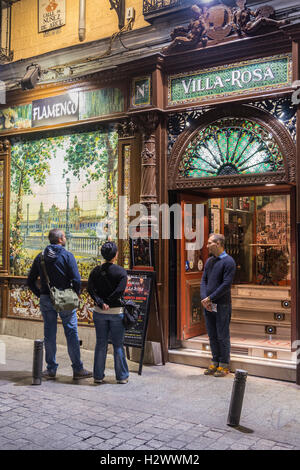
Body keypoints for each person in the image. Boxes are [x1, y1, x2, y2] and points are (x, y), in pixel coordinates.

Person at [27, 229, 92, 380]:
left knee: (49, 334)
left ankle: (50, 369)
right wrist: (74, 295)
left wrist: (42, 294)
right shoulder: (67, 256)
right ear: (61, 239)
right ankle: (77, 369)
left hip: (46, 299)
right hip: (66, 299)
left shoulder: (40, 257)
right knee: (71, 333)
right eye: (64, 236)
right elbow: (76, 280)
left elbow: (30, 281)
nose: (65, 238)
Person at [87, 241, 129, 384]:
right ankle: (122, 376)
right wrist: (109, 302)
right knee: (118, 344)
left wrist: (101, 302)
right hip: (116, 312)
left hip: (99, 313)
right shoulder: (121, 272)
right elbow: (119, 291)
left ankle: (98, 376)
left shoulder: (95, 271)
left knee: (100, 344)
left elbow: (90, 289)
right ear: (116, 255)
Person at [200, 233, 236, 377]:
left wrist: (210, 298)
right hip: (208, 304)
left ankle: (224, 364)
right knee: (212, 334)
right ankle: (215, 361)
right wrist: (204, 298)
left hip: (222, 304)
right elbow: (203, 280)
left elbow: (226, 285)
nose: (207, 246)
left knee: (222, 334)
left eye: (210, 243)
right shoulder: (209, 261)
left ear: (219, 244)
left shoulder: (229, 262)